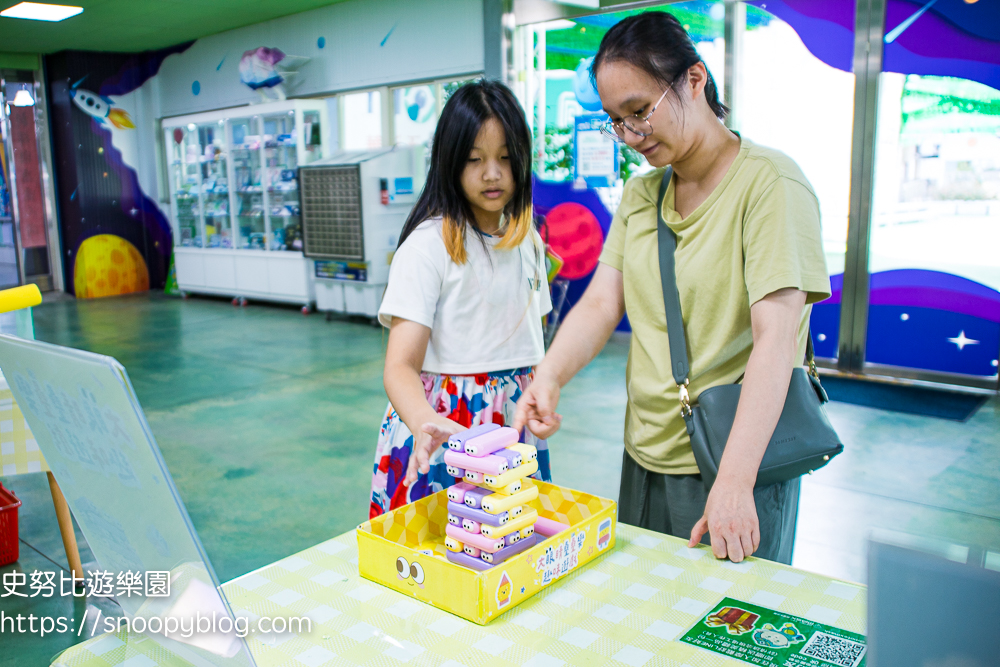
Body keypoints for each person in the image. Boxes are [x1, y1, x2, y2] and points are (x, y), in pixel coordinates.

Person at [514, 12, 831, 564]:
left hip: (732, 460)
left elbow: (776, 340)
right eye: (617, 121)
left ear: (694, 79)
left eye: (640, 111)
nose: (632, 136)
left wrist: (733, 482)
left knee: (725, 634)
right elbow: (601, 302)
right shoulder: (642, 196)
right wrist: (549, 376)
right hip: (645, 451)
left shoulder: (771, 186)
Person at [370, 80, 553, 519]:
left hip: (510, 425)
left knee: (506, 548)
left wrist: (540, 392)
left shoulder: (527, 237)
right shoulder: (427, 246)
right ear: (450, 163)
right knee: (441, 554)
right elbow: (399, 366)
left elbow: (534, 341)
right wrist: (424, 425)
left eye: (506, 159)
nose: (492, 173)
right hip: (442, 423)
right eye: (475, 160)